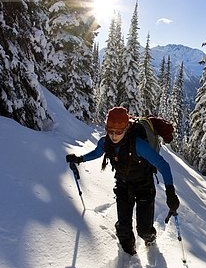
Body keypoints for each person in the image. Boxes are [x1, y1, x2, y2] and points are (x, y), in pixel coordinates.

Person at [66, 106, 180, 255]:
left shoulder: (139, 145)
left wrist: (170, 192)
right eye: (110, 131)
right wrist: (80, 159)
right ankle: (130, 256)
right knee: (123, 231)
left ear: (126, 128)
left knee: (144, 230)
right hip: (123, 185)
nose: (114, 136)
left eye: (118, 132)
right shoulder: (105, 142)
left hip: (144, 186)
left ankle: (150, 239)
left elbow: (163, 165)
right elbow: (97, 152)